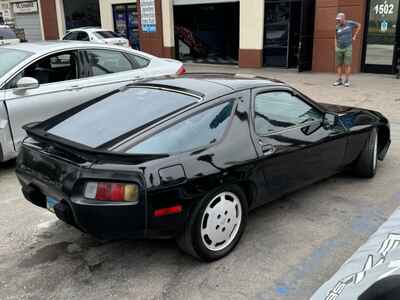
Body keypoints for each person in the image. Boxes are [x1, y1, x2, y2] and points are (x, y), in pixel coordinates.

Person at [333, 13, 361, 87]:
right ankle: (339, 80)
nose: (338, 21)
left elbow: (359, 25)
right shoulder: (337, 27)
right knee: (339, 64)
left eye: (339, 20)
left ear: (343, 18)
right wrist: (335, 46)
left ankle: (346, 80)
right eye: (337, 20)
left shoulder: (350, 23)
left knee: (347, 64)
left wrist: (355, 35)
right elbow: (335, 37)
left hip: (348, 47)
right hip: (339, 48)